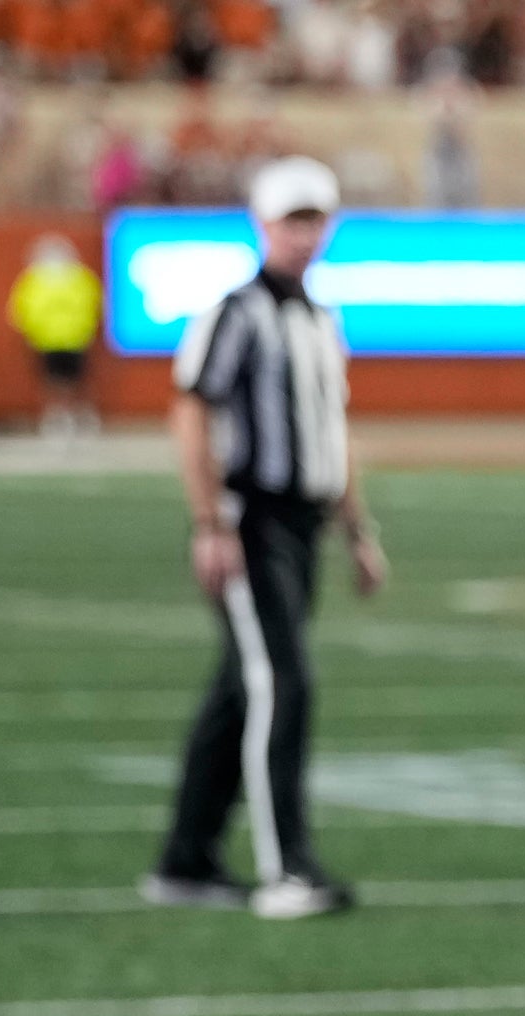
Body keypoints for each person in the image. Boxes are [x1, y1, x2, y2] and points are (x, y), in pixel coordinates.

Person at [144, 156, 385, 922]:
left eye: (314, 219)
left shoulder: (320, 319)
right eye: (291, 219)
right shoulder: (235, 313)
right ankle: (287, 869)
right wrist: (210, 520)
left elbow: (333, 433)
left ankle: (186, 858)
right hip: (252, 520)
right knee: (283, 681)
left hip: (304, 522)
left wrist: (357, 529)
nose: (304, 234)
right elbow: (190, 413)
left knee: (240, 690)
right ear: (262, 225)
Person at [9, 232, 102, 438]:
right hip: (54, 339)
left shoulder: (78, 278)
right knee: (55, 381)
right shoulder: (37, 280)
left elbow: (93, 305)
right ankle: (59, 417)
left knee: (72, 381)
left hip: (70, 338)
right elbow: (23, 309)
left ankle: (74, 415)